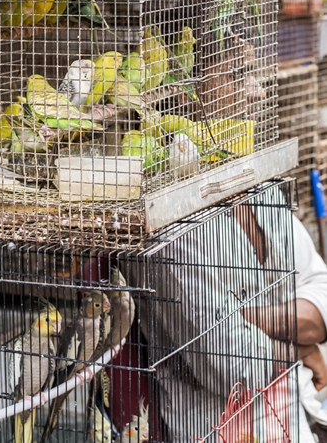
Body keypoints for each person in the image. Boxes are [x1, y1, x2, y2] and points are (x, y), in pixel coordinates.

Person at [136, 182, 327, 442]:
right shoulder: (172, 228)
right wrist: (300, 350)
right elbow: (234, 369)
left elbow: (322, 300)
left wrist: (242, 316)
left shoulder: (263, 190)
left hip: (297, 410)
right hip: (220, 427)